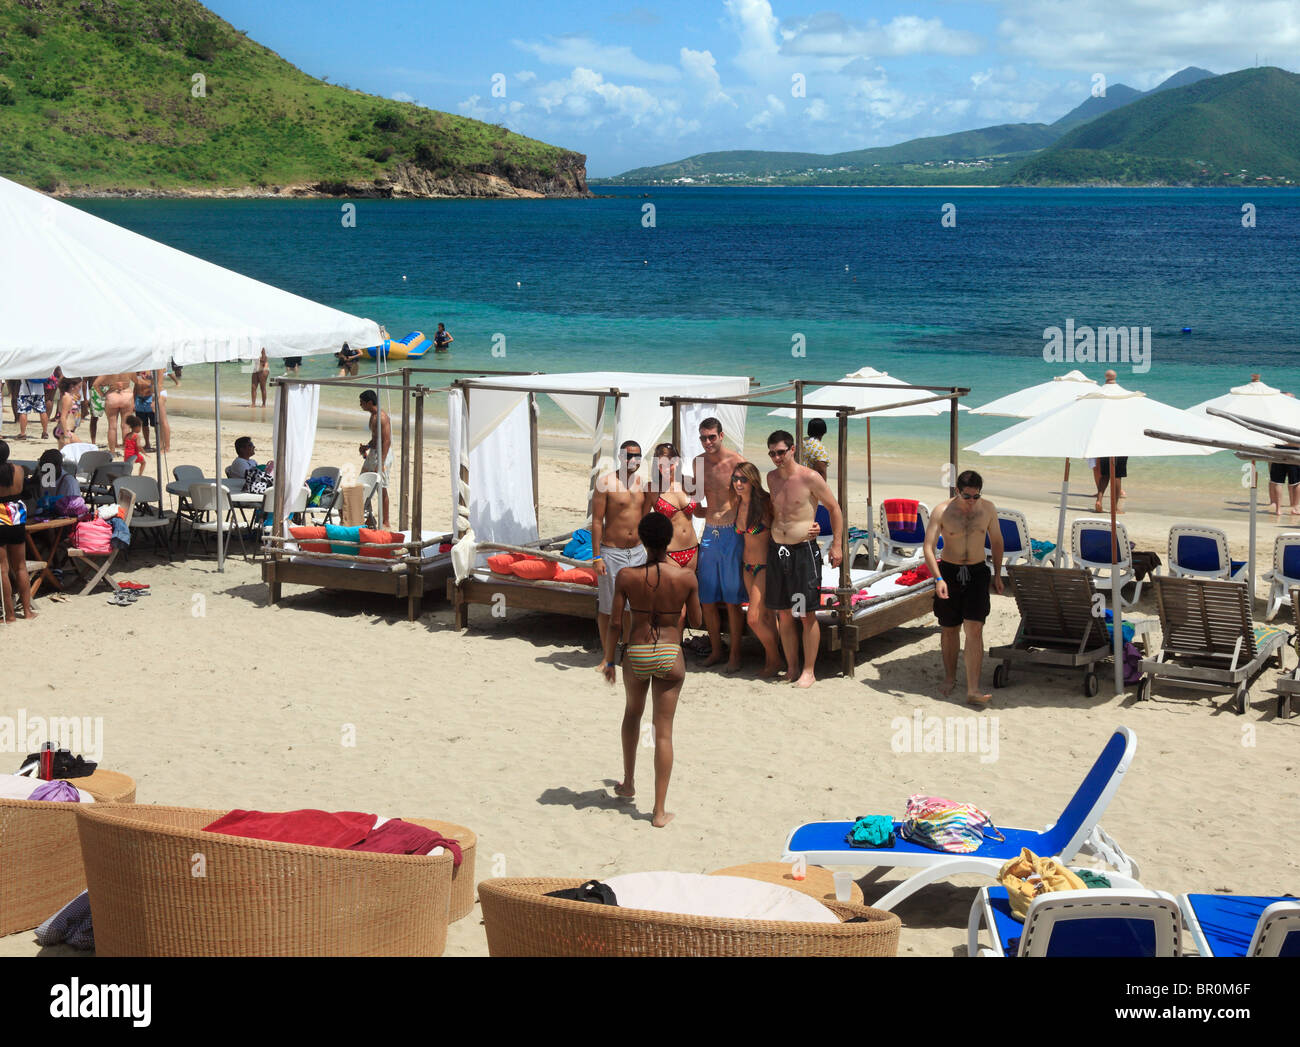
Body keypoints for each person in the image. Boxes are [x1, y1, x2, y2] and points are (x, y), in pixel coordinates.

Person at [604, 512, 702, 829]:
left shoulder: (627, 576)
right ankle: (659, 812)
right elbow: (699, 622)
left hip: (637, 651)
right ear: (669, 540)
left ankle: (629, 782)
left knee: (633, 713)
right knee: (663, 732)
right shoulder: (685, 577)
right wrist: (680, 609)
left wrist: (608, 660)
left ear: (642, 539)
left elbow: (616, 622)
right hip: (670, 652)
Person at [765, 430, 843, 687]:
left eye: (780, 452)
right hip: (778, 550)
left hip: (803, 551)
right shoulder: (771, 478)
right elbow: (775, 512)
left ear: (792, 449)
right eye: (772, 453)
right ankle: (792, 666)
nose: (776, 457)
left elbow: (834, 508)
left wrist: (837, 546)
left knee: (805, 613)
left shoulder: (810, 477)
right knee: (784, 613)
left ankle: (809, 670)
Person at [923, 469, 1003, 707]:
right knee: (949, 629)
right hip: (949, 572)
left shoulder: (987, 509)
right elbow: (928, 547)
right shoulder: (942, 511)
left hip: (978, 572)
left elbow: (997, 542)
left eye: (976, 496)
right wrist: (938, 579)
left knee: (975, 629)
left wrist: (998, 574)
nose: (971, 502)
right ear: (957, 491)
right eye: (967, 496)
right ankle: (950, 677)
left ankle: (973, 688)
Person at [691, 417, 747, 671]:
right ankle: (715, 651)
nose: (707, 442)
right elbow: (699, 498)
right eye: (703, 437)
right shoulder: (698, 463)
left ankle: (735, 655)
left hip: (732, 533)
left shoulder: (737, 462)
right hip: (709, 532)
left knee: (733, 600)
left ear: (722, 435)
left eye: (712, 436)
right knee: (708, 598)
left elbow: (750, 498)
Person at [591, 440, 647, 656]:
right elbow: (597, 521)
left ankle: (626, 648)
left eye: (637, 456)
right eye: (629, 456)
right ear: (620, 457)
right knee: (608, 607)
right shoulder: (605, 483)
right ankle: (608, 654)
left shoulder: (642, 484)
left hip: (637, 553)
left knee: (632, 606)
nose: (633, 460)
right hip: (612, 553)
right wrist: (596, 557)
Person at [731, 460, 783, 677]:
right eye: (735, 478)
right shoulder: (737, 503)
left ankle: (775, 659)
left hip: (765, 566)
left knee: (752, 618)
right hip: (747, 566)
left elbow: (786, 520)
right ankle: (773, 659)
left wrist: (811, 526)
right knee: (766, 618)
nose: (738, 483)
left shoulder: (765, 502)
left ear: (753, 480)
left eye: (743, 479)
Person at [644, 443, 699, 570]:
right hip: (667, 553)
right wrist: (651, 549)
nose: (667, 468)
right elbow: (642, 522)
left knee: (689, 589)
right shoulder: (652, 489)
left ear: (678, 462)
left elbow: (700, 511)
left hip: (693, 550)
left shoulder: (689, 483)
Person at [0, 442, 36, 622]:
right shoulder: (19, 470)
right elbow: (27, 492)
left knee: (2, 570)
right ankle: (28, 611)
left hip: (0, 517)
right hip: (16, 516)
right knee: (20, 567)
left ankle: (10, 615)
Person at [358, 390, 392, 527]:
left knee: (381, 487)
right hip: (374, 452)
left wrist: (381, 462)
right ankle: (369, 518)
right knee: (363, 483)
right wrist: (366, 447)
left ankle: (386, 522)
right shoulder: (373, 416)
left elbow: (386, 441)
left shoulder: (382, 418)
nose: (360, 405)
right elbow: (376, 438)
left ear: (369, 402)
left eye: (362, 403)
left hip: (383, 454)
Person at [95, 373, 133, 455]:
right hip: (126, 395)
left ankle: (112, 451)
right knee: (126, 426)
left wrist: (103, 394)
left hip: (112, 395)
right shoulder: (128, 368)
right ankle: (127, 451)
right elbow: (137, 381)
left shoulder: (110, 369)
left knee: (112, 426)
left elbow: (96, 384)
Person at [53, 377, 81, 448]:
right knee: (81, 449)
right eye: (79, 387)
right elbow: (63, 417)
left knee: (63, 454)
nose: (80, 389)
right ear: (72, 386)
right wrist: (66, 435)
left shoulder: (69, 396)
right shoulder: (67, 398)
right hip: (64, 431)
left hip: (65, 430)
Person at [132, 371, 156, 451]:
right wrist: (133, 403)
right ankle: (147, 443)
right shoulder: (137, 375)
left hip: (150, 400)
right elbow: (135, 390)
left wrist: (154, 401)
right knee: (144, 425)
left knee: (155, 424)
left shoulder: (151, 374)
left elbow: (155, 388)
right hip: (139, 401)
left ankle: (159, 442)